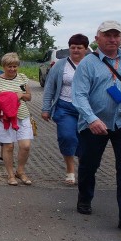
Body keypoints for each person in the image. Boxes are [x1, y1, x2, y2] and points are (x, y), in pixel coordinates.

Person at [71, 21, 121, 230]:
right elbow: (79, 95)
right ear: (97, 38)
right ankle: (85, 197)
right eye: (108, 35)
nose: (112, 39)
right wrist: (91, 119)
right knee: (89, 164)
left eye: (116, 35)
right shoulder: (87, 63)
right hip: (94, 123)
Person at [41, 34, 89, 185]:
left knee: (85, 141)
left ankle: (84, 171)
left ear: (86, 49)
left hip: (87, 110)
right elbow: (49, 87)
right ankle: (70, 170)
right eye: (72, 47)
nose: (75, 50)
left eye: (79, 48)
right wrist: (46, 108)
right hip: (64, 107)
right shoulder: (60, 65)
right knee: (67, 136)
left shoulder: (91, 64)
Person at [0, 52, 34, 186]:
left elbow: (29, 96)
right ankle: (10, 174)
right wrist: (10, 97)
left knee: (25, 146)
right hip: (5, 118)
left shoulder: (22, 78)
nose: (12, 69)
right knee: (8, 146)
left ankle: (20, 171)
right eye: (9, 66)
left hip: (22, 115)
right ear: (4, 66)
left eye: (15, 66)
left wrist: (21, 95)